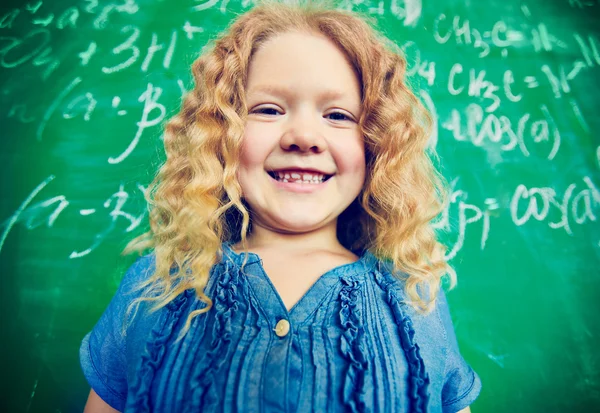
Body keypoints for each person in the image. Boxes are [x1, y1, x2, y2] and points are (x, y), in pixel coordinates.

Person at [80, 1, 482, 412]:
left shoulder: (414, 299)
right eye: (268, 109)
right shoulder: (156, 286)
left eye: (339, 115)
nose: (304, 136)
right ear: (222, 134)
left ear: (375, 145)